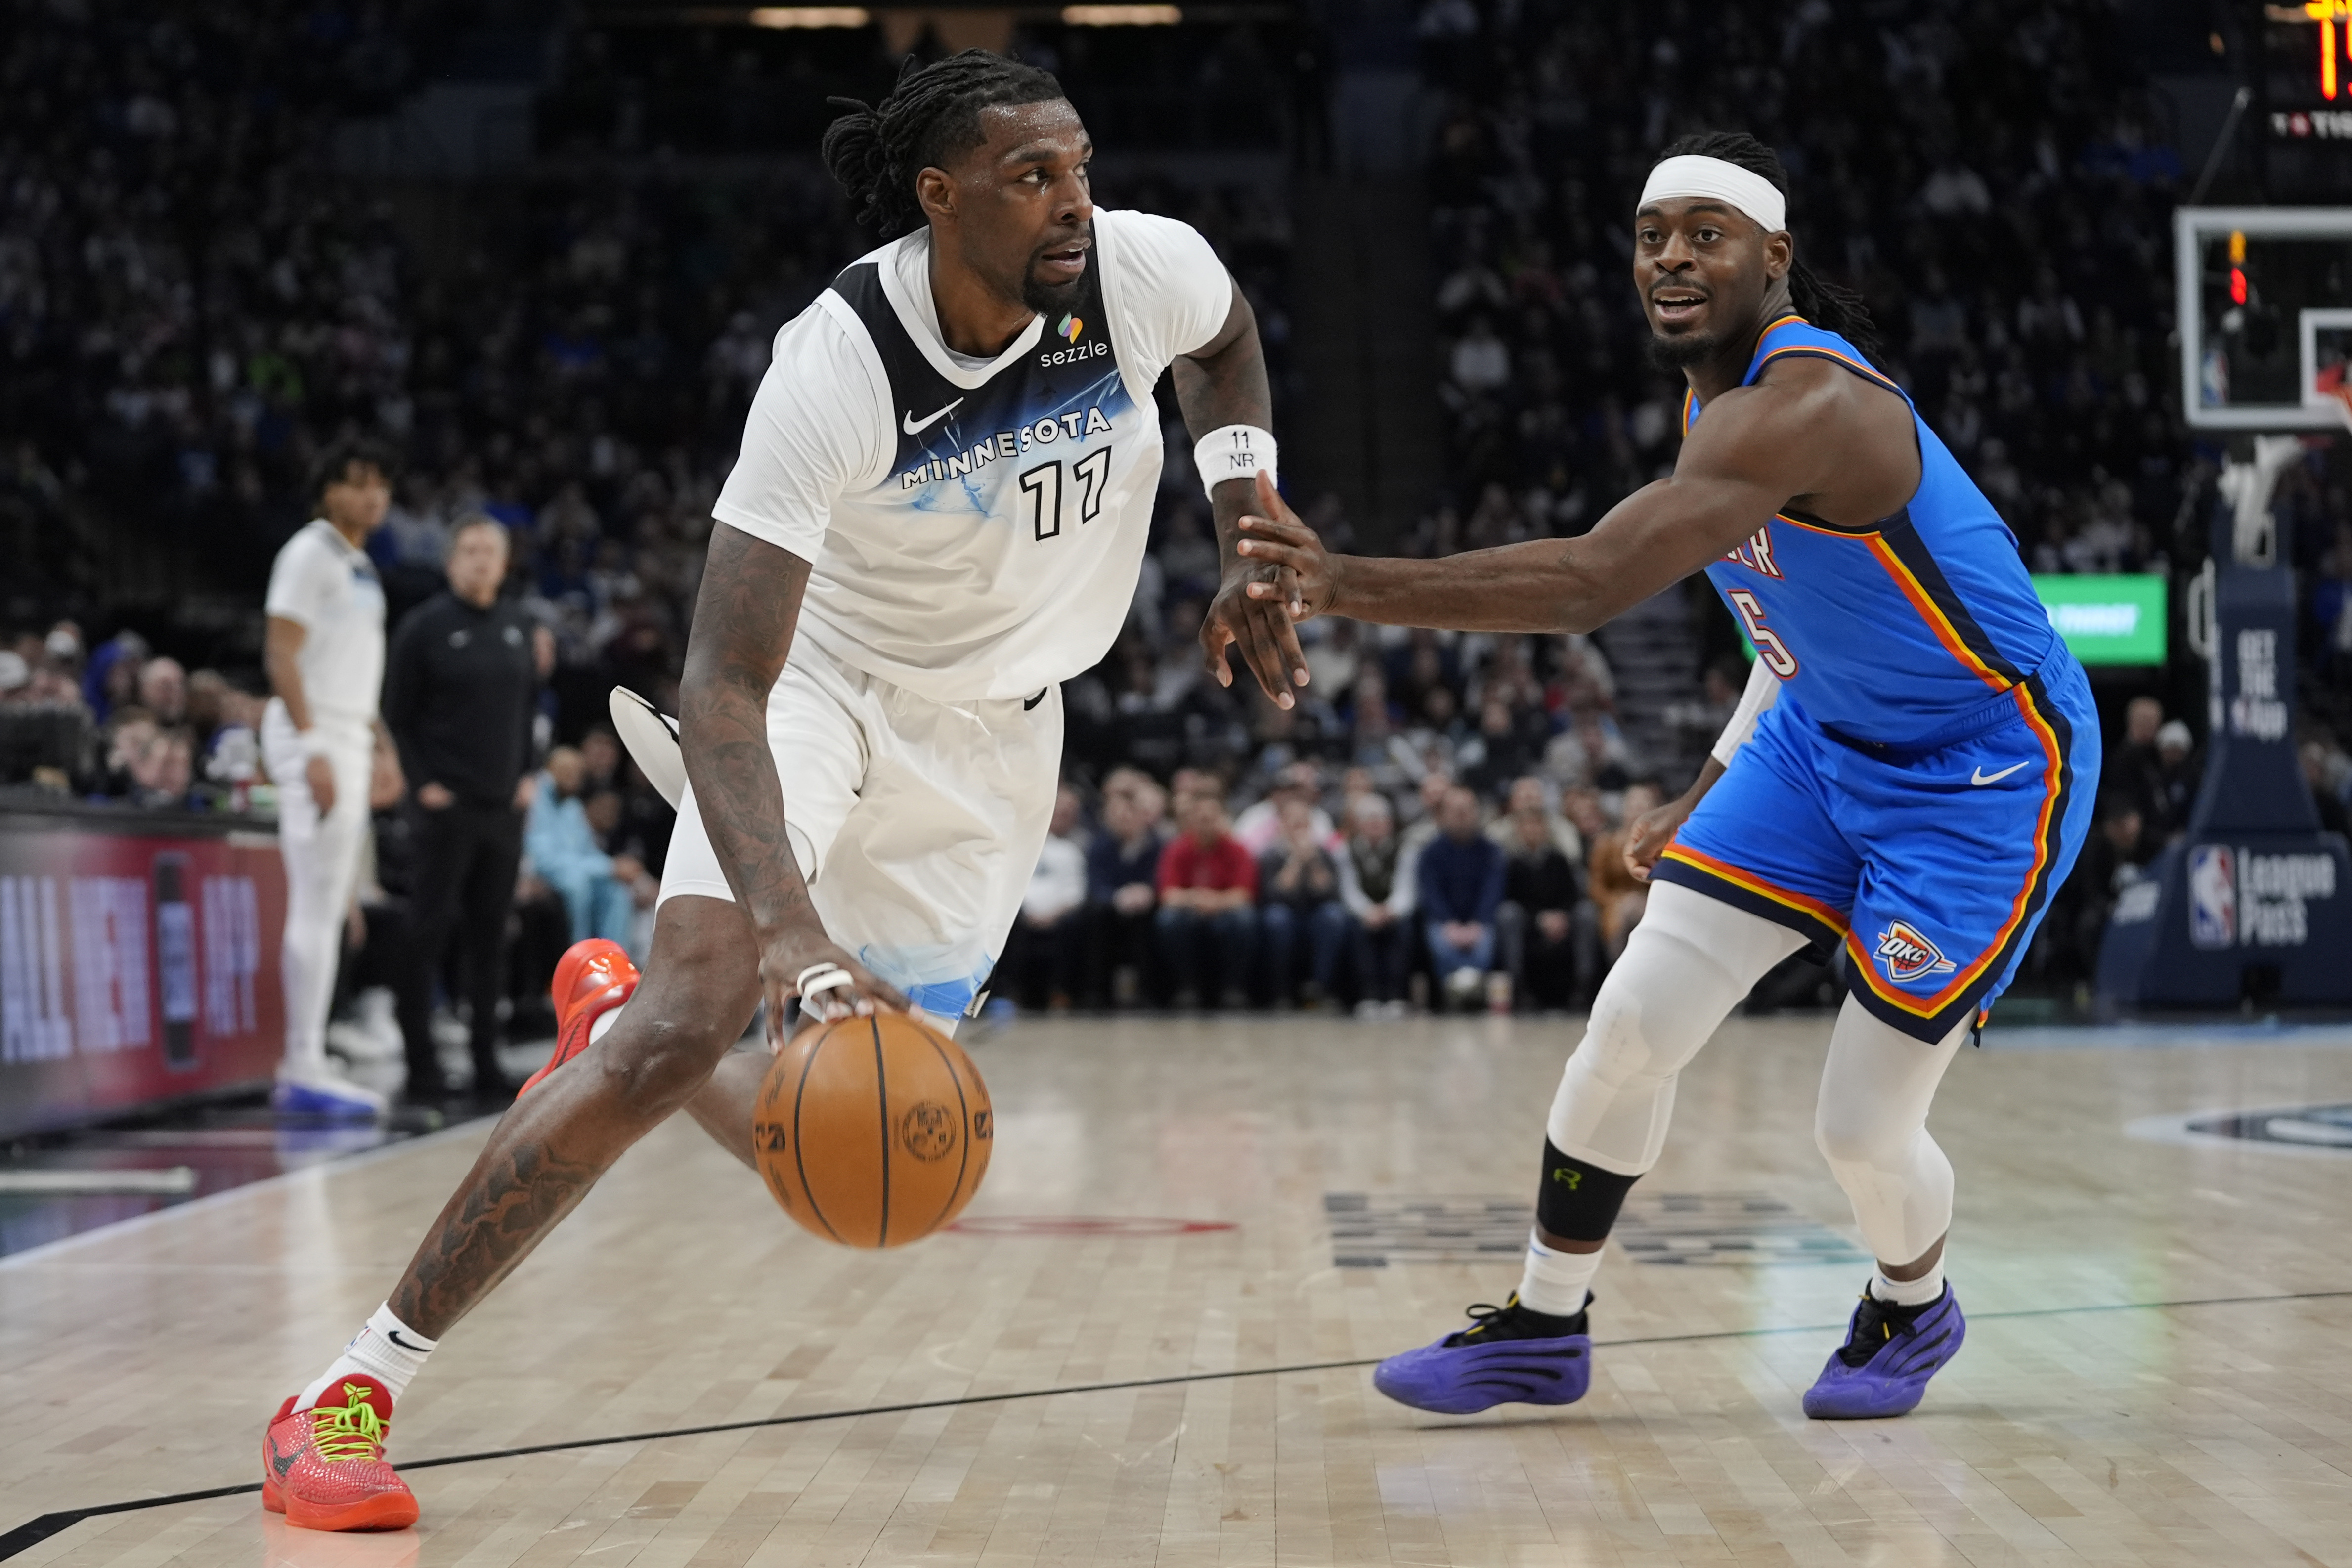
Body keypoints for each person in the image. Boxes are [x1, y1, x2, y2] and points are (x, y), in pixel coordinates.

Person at [261, 49, 1303, 1533]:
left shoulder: (1138, 271)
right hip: (819, 691)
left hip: (999, 743)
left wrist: (1240, 519)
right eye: (1032, 174)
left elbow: (1228, 341)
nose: (1076, 198)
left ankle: (617, 1006)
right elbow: (723, 683)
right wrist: (791, 931)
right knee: (692, 1024)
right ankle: (346, 1391)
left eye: (1080, 163)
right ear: (940, 196)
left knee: (865, 1167)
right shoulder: (838, 360)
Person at [1229, 132, 2098, 1421]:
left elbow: (1590, 582)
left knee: (1857, 1125)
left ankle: (1911, 1305)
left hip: (1980, 773)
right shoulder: (1714, 407)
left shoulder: (1808, 407)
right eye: (1651, 236)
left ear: (1773, 258)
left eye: (1706, 232)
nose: (1672, 257)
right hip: (1813, 741)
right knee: (1630, 1023)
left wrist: (1339, 581)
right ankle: (1540, 1325)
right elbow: (1785, 618)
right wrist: (1708, 780)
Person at [261, 436, 399, 1121]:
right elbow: (281, 653)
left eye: (380, 484)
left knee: (329, 902)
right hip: (312, 735)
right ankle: (301, 1060)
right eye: (357, 482)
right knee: (315, 904)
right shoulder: (309, 553)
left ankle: (309, 1054)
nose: (372, 495)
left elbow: (355, 670)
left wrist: (380, 747)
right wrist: (313, 745)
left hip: (347, 734)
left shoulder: (360, 563)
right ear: (326, 492)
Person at [381, 517, 542, 1100]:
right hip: (443, 808)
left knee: (490, 939)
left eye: (489, 551)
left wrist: (527, 771)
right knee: (426, 933)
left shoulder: (519, 625)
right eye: (469, 551)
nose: (479, 560)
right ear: (451, 562)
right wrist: (422, 784)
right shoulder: (423, 629)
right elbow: (395, 715)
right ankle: (421, 1064)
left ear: (503, 563)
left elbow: (527, 708)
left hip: (502, 808)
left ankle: (485, 1061)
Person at [524, 745, 643, 949]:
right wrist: (608, 868)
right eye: (567, 771)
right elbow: (543, 859)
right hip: (534, 871)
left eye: (578, 774)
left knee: (617, 891)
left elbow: (588, 852)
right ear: (551, 771)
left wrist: (612, 867)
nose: (575, 778)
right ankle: (577, 954)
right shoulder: (535, 800)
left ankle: (613, 957)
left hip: (573, 871)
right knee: (576, 883)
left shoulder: (573, 807)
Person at [1155, 785, 1259, 1007]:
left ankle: (1234, 988)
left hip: (1224, 912)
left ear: (1221, 819)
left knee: (1245, 919)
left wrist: (1216, 902)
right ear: (1191, 820)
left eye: (1211, 818)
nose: (1206, 824)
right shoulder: (1177, 849)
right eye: (1201, 818)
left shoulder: (1237, 850)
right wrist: (1196, 898)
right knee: (1168, 920)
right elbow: (1168, 895)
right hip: (1190, 911)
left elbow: (1244, 895)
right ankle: (1186, 987)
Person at [1417, 784, 1506, 1010]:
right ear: (1444, 815)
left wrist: (1478, 923)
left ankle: (1469, 990)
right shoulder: (1430, 853)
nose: (1461, 817)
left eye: (1466, 811)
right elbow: (1430, 893)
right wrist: (1449, 924)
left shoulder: (1492, 852)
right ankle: (1458, 991)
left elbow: (1492, 892)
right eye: (1455, 811)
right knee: (1440, 942)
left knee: (1484, 944)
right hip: (1445, 923)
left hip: (1481, 922)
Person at [999, 783, 1088, 1008]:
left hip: (1059, 917)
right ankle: (1007, 992)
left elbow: (1075, 893)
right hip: (1020, 915)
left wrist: (1052, 916)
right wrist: (1025, 913)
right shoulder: (1017, 848)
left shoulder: (1069, 851)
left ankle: (1060, 993)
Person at [1257, 794, 1347, 1006]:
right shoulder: (1271, 855)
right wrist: (1297, 860)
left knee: (1333, 916)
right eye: (1293, 822)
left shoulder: (1324, 854)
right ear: (1283, 824)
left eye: (1303, 822)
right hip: (1284, 915)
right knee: (1276, 919)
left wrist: (1314, 862)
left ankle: (1320, 987)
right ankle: (1281, 990)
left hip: (1315, 915)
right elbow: (1275, 893)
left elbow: (1329, 891)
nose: (1298, 827)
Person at [1085, 766, 1164, 1006]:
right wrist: (1117, 897)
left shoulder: (1157, 847)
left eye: (1130, 814)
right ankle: (1097, 994)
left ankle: (1151, 993)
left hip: (1146, 909)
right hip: (1111, 910)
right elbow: (1095, 885)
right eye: (1117, 815)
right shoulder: (1099, 848)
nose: (1124, 819)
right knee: (1097, 917)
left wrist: (1148, 893)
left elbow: (1161, 880)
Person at [1496, 800, 1584, 1009]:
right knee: (1508, 915)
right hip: (1528, 924)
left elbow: (1572, 895)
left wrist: (1561, 916)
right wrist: (1539, 919)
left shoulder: (1559, 860)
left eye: (1537, 825)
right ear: (1519, 830)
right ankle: (1519, 988)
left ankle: (1582, 987)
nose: (1532, 830)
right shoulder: (1512, 864)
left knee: (1586, 915)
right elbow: (1511, 898)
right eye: (1527, 825)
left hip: (1561, 923)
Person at [1337, 791, 1413, 1016]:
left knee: (1402, 930)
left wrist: (1391, 910)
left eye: (1380, 819)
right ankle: (1368, 995)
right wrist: (1367, 911)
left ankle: (1397, 995)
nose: (1375, 825)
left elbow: (1406, 889)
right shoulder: (1346, 850)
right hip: (1363, 913)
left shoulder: (1405, 848)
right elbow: (1349, 890)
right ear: (1359, 824)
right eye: (1369, 820)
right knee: (1358, 931)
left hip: (1393, 911)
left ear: (1389, 823)